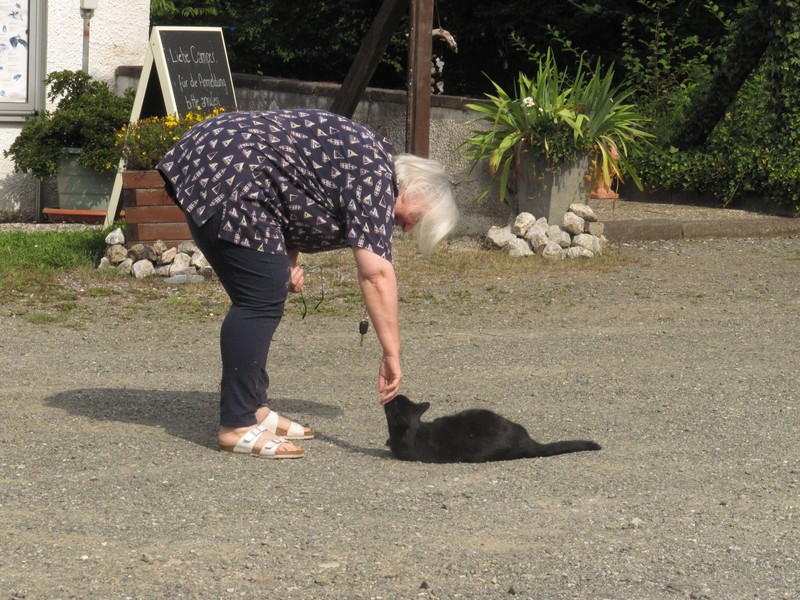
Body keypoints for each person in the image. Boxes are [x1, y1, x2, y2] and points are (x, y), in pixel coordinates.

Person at [157, 109, 458, 459]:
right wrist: (391, 353)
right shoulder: (378, 181)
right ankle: (237, 425)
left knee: (266, 287)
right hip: (230, 169)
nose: (407, 229)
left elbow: (298, 182)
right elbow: (376, 274)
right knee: (259, 297)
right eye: (416, 219)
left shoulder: (373, 161)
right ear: (414, 188)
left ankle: (253, 408)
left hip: (219, 156)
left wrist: (289, 256)